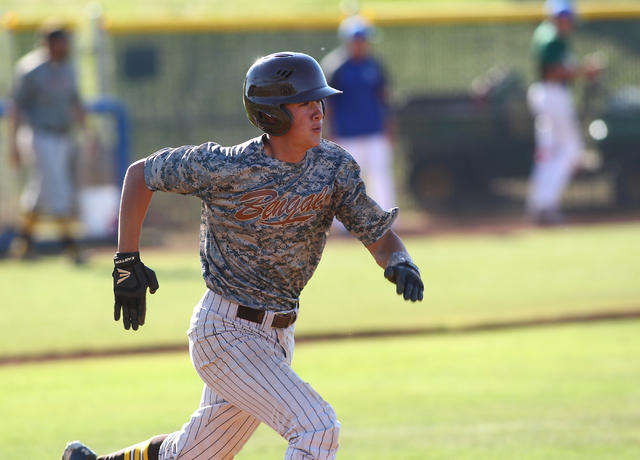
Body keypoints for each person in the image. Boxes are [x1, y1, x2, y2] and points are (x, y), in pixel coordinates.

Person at [61, 52, 423, 460]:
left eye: (318, 101)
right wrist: (126, 261)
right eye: (304, 103)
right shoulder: (225, 166)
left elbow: (378, 237)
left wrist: (399, 261)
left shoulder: (333, 166)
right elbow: (139, 175)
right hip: (225, 331)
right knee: (316, 427)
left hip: (277, 336)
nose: (318, 111)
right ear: (272, 115)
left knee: (197, 454)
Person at [8, 22, 87, 261]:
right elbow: (16, 108)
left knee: (40, 192)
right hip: (38, 134)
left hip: (63, 135)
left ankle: (22, 245)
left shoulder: (68, 69)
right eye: (61, 41)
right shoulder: (30, 68)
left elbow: (76, 103)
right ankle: (71, 247)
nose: (66, 46)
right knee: (58, 188)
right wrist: (12, 145)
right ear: (49, 43)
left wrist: (88, 133)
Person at [525, 0, 601, 225]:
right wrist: (584, 71)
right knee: (572, 149)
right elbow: (552, 72)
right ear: (559, 17)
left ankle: (538, 203)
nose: (569, 23)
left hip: (546, 95)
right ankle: (546, 204)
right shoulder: (551, 37)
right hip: (553, 94)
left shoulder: (547, 33)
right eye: (566, 18)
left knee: (548, 152)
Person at [321, 15, 397, 214]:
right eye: (360, 40)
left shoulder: (374, 64)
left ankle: (386, 219)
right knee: (346, 181)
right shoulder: (335, 67)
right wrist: (330, 132)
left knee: (381, 176)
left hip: (374, 131)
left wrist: (388, 126)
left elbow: (383, 97)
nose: (363, 44)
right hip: (347, 135)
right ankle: (344, 224)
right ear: (349, 41)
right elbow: (328, 105)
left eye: (365, 40)